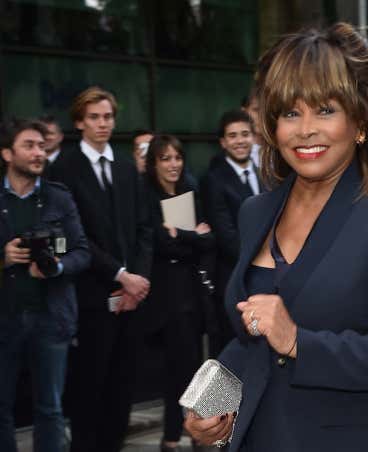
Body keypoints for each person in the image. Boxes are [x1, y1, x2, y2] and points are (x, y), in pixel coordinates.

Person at [184, 22, 368, 452]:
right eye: (290, 112)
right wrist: (206, 406)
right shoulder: (257, 211)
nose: (305, 129)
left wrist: (298, 342)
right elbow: (250, 337)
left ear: (360, 121)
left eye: (325, 110)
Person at [49, 86, 153, 452]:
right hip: (92, 299)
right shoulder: (63, 167)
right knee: (89, 390)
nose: (102, 124)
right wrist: (120, 276)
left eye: (108, 116)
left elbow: (144, 228)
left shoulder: (126, 166)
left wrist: (136, 282)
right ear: (79, 122)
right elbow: (74, 236)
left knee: (122, 389)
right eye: (94, 117)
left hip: (132, 299)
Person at [0, 118, 90, 452]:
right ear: (7, 153)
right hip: (5, 319)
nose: (39, 152)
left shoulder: (58, 198)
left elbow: (81, 251)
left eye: (41, 146)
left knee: (50, 409)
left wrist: (57, 267)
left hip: (52, 318)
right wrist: (4, 257)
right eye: (29, 145)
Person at [139, 134, 214, 452]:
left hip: (192, 294)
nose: (173, 165)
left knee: (197, 366)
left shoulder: (189, 191)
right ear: (153, 163)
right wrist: (191, 237)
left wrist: (181, 236)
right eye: (165, 159)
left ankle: (197, 434)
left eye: (177, 158)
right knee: (176, 371)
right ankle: (172, 436)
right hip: (165, 298)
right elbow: (162, 244)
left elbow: (208, 241)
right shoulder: (146, 197)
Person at [201, 110, 263, 359]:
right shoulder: (214, 180)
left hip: (267, 281)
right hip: (232, 281)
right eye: (233, 136)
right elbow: (226, 235)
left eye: (245, 134)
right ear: (223, 142)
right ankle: (219, 401)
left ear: (254, 137)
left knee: (260, 353)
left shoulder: (266, 175)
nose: (240, 140)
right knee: (229, 354)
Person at [241, 86, 262, 168]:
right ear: (244, 112)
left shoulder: (283, 153)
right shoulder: (230, 155)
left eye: (267, 111)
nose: (262, 117)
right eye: (256, 110)